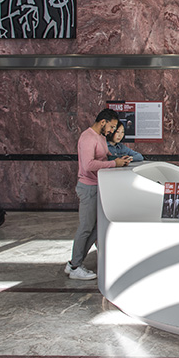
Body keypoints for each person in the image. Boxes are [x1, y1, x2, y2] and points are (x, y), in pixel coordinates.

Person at [66, 109, 133, 281]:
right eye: (111, 127)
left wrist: (119, 159)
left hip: (98, 186)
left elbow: (104, 156)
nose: (112, 131)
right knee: (86, 227)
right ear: (103, 122)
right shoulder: (88, 137)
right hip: (88, 188)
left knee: (96, 229)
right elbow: (88, 165)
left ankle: (75, 260)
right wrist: (113, 163)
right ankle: (75, 266)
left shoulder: (100, 137)